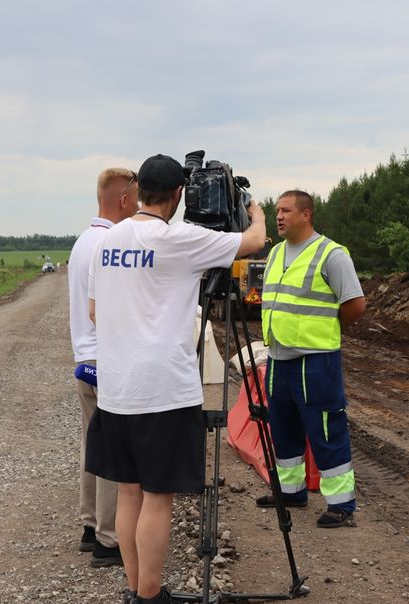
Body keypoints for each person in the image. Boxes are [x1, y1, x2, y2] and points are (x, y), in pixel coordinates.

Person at [86, 154, 266, 604]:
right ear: (178, 195)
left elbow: (94, 310)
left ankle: (134, 589)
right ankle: (150, 596)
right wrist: (254, 211)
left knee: (129, 494)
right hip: (162, 391)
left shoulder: (107, 242)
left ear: (138, 191)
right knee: (158, 497)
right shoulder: (180, 239)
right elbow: (254, 241)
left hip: (115, 389)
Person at [255, 189, 366, 528]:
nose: (279, 216)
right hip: (278, 357)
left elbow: (354, 305)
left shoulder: (330, 254)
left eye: (286, 210)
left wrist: (326, 333)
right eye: (277, 210)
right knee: (283, 428)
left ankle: (341, 504)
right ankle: (291, 491)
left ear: (306, 215)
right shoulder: (275, 253)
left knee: (326, 430)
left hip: (315, 361)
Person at [67, 167, 138, 567]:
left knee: (92, 445)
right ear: (124, 199)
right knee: (115, 450)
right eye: (138, 199)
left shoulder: (83, 241)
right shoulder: (112, 243)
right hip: (107, 359)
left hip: (84, 358)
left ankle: (91, 524)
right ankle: (109, 541)